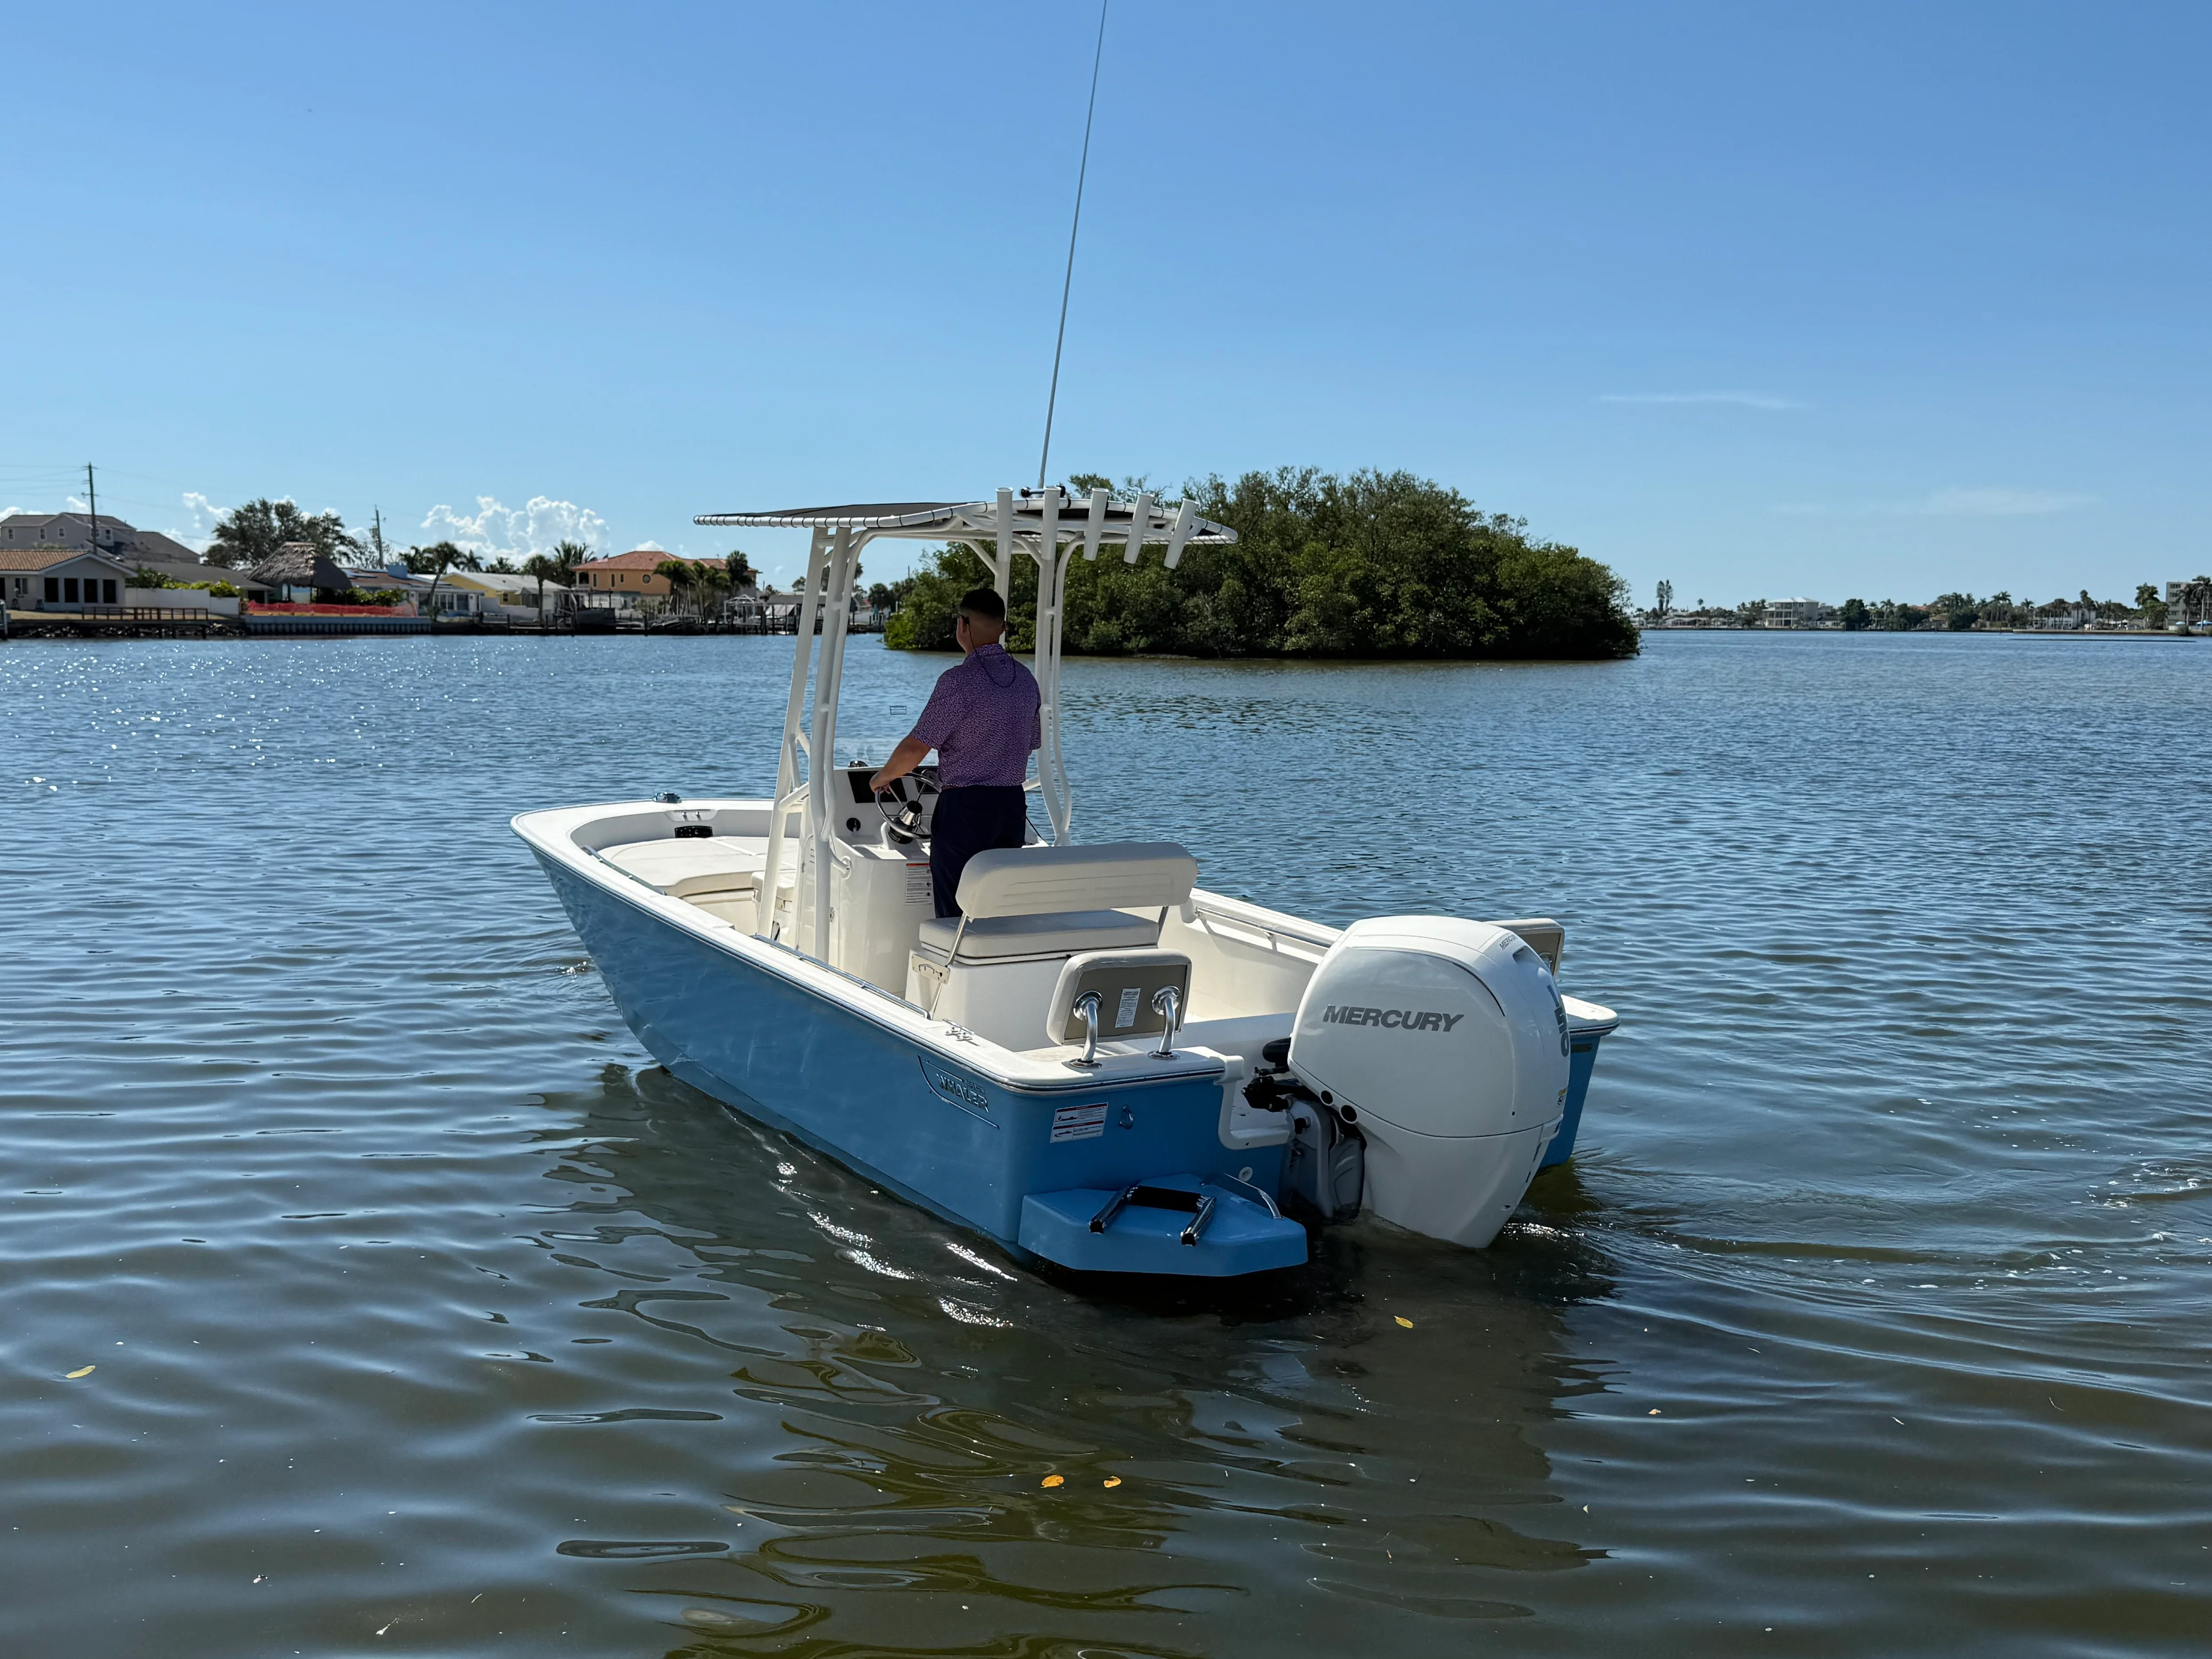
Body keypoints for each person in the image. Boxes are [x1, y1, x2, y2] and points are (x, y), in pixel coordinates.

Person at [869, 586, 1041, 917]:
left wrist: (882, 778)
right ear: (1004, 627)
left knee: (955, 909)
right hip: (1011, 808)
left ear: (963, 625)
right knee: (998, 908)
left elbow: (916, 747)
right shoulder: (1026, 681)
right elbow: (1030, 743)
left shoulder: (958, 682)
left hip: (965, 811)